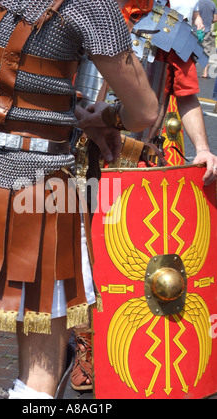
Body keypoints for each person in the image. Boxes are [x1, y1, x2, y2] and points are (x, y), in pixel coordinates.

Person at [0, 0, 158, 399]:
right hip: (44, 195)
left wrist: (68, 110)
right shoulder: (90, 5)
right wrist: (104, 118)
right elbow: (145, 110)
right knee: (38, 379)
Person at [72, 0, 217, 393]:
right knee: (81, 257)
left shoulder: (170, 28)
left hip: (134, 165)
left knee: (132, 265)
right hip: (74, 155)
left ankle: (128, 355)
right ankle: (87, 346)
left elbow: (186, 96)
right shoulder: (81, 10)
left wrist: (202, 148)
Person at [199, 0, 217, 78]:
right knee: (206, 52)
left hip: (196, 31)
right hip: (207, 31)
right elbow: (215, 19)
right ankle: (205, 72)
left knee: (191, 51)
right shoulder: (212, 4)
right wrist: (208, 22)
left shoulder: (197, 3)